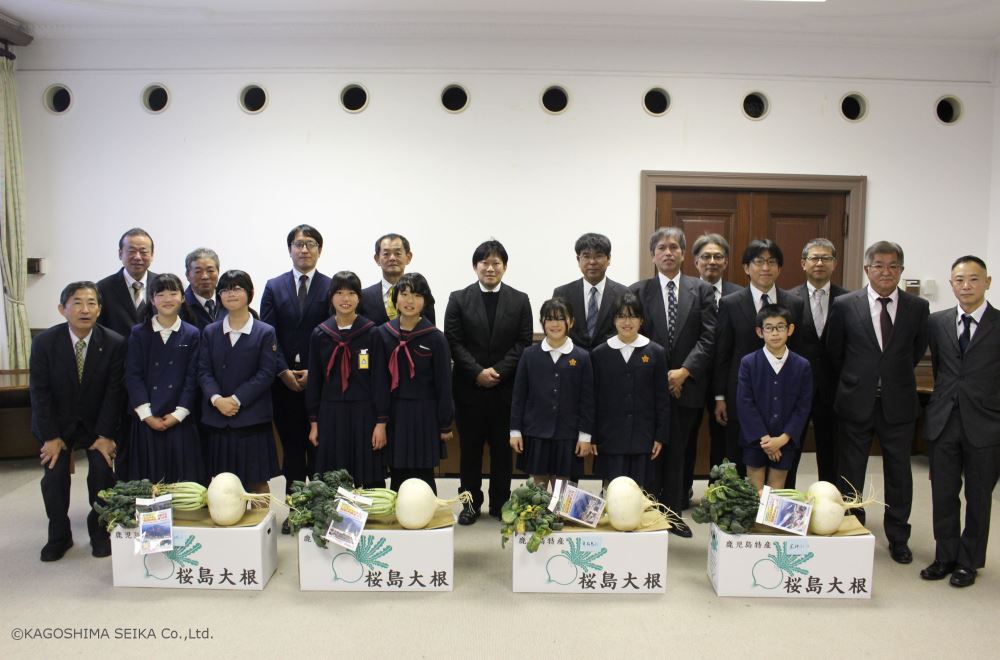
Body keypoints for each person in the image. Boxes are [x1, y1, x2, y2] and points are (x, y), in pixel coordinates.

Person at [826, 241, 929, 565]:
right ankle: (852, 527)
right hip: (856, 400)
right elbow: (834, 351)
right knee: (851, 470)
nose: (887, 272)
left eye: (894, 266)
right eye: (879, 265)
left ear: (901, 270)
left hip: (898, 403)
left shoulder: (917, 307)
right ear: (867, 269)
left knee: (899, 472)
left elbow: (915, 351)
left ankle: (898, 536)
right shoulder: (845, 304)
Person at [30, 281, 126, 561]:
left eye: (91, 303)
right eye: (77, 303)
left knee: (102, 471)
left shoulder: (113, 343)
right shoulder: (45, 343)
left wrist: (106, 435)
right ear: (63, 309)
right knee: (54, 475)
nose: (85, 309)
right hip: (57, 426)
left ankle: (100, 532)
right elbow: (40, 392)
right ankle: (59, 535)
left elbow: (114, 393)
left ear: (99, 309)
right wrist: (50, 436)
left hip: (97, 425)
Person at [629, 227, 715, 536]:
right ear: (652, 255)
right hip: (649, 387)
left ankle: (674, 514)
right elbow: (632, 338)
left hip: (687, 385)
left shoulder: (702, 290)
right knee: (650, 452)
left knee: (679, 451)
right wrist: (661, 375)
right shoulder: (638, 291)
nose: (668, 252)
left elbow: (709, 336)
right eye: (662, 247)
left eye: (674, 247)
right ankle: (648, 512)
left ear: (683, 254)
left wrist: (683, 372)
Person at [921, 256, 1000, 587]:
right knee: (943, 492)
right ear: (951, 284)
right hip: (944, 419)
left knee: (980, 496)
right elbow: (941, 367)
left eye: (973, 279)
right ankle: (945, 555)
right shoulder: (938, 322)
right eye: (959, 280)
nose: (966, 286)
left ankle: (969, 562)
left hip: (986, 423)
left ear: (988, 282)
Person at [445, 239, 532, 525]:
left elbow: (522, 342)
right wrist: (477, 372)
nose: (490, 268)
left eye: (496, 263)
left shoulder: (520, 300)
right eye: (485, 263)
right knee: (469, 451)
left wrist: (498, 371)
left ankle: (500, 503)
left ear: (504, 267)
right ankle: (469, 504)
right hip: (469, 390)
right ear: (475, 266)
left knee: (501, 452)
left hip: (505, 390)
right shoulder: (458, 298)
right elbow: (454, 342)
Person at [260, 225, 332, 530]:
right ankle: (294, 510)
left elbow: (334, 335)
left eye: (311, 244)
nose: (304, 250)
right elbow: (267, 334)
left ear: (319, 250)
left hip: (320, 384)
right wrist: (283, 370)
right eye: (298, 244)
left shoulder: (331, 287)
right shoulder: (273, 287)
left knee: (318, 450)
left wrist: (314, 371)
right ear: (289, 249)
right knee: (291, 452)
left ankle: (316, 510)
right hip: (284, 384)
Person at [714, 239, 804, 477]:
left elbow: (798, 352)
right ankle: (746, 512)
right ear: (746, 268)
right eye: (759, 261)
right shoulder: (730, 303)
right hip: (741, 396)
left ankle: (778, 511)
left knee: (783, 459)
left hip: (783, 396)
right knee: (740, 455)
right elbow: (722, 353)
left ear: (779, 268)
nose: (766, 267)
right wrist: (720, 396)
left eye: (772, 262)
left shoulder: (794, 303)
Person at [199, 270, 280, 495]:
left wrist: (235, 400)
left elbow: (266, 373)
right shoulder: (210, 331)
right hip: (217, 419)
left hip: (251, 419)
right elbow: (203, 371)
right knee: (219, 483)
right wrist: (217, 400)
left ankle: (262, 527)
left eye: (237, 288)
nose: (230, 294)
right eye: (224, 289)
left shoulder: (265, 332)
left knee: (256, 481)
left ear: (250, 293)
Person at [305, 271, 388, 489]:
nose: (345, 299)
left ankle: (372, 519)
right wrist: (314, 423)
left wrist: (381, 422)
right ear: (331, 297)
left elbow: (380, 381)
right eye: (339, 293)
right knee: (333, 472)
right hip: (330, 413)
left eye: (351, 293)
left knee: (368, 473)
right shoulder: (320, 334)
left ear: (359, 298)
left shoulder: (372, 333)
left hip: (365, 413)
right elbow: (314, 383)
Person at [376, 273, 454, 493]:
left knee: (423, 471)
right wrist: (380, 419)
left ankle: (426, 514)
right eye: (405, 294)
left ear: (426, 301)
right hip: (395, 412)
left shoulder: (435, 338)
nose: (410, 301)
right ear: (395, 298)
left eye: (417, 295)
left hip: (425, 413)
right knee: (398, 468)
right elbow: (379, 382)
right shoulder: (383, 334)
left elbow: (444, 384)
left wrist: (445, 423)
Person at [125, 273, 204, 484]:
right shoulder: (139, 333)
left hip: (180, 417)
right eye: (160, 294)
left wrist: (180, 413)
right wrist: (146, 413)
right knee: (150, 479)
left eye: (173, 293)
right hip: (147, 417)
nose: (167, 299)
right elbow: (133, 375)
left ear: (183, 297)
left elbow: (193, 376)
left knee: (183, 480)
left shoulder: (192, 334)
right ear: (151, 300)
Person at [509, 298, 595, 487]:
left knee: (562, 490)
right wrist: (515, 431)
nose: (554, 324)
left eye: (560, 318)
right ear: (542, 322)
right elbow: (519, 396)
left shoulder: (582, 357)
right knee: (537, 489)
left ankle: (559, 516)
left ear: (570, 322)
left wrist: (585, 436)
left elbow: (587, 400)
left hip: (568, 434)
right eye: (549, 319)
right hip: (536, 432)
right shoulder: (529, 354)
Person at [96, 227, 158, 481]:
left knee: (151, 441)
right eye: (130, 251)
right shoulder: (103, 288)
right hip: (117, 378)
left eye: (143, 251)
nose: (137, 256)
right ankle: (125, 492)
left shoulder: (162, 284)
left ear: (152, 255)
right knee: (122, 441)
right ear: (120, 254)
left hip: (155, 378)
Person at [590, 293, 668, 495]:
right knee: (611, 491)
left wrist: (660, 436)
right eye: (621, 316)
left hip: (643, 435)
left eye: (633, 316)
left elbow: (662, 398)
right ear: (614, 320)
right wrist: (594, 436)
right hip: (610, 436)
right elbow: (593, 398)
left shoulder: (655, 352)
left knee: (639, 492)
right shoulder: (600, 353)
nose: (627, 322)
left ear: (641, 320)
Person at [736, 304, 813, 493]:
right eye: (769, 328)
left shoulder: (802, 365)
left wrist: (782, 439)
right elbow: (745, 404)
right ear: (760, 332)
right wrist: (765, 439)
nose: (775, 333)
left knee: (775, 495)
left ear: (790, 330)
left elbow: (803, 406)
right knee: (756, 493)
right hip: (755, 440)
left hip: (785, 441)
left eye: (780, 327)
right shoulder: (748, 363)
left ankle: (770, 524)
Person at [688, 233, 741, 497]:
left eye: (717, 256)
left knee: (723, 437)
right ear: (696, 261)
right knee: (687, 437)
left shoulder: (739, 295)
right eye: (705, 256)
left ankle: (718, 491)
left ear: (726, 262)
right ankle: (682, 488)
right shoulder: (686, 292)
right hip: (692, 376)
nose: (711, 261)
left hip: (728, 377)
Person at [793, 238, 848, 485]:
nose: (819, 263)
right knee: (790, 451)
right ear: (803, 263)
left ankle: (834, 504)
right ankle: (783, 507)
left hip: (835, 388)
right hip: (796, 388)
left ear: (834, 264)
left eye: (826, 258)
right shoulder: (788, 299)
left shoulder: (849, 301)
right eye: (814, 258)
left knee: (833, 452)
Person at [551, 232, 628, 350]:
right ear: (578, 259)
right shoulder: (562, 294)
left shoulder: (623, 293)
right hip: (573, 361)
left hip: (610, 360)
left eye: (598, 256)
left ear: (609, 259)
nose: (592, 262)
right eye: (586, 256)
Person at [360, 233, 436, 325]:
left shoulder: (421, 294)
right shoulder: (363, 297)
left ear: (408, 257)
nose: (392, 258)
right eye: (386, 254)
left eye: (398, 253)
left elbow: (430, 330)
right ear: (377, 259)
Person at [181, 247, 223, 330]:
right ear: (187, 275)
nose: (205, 276)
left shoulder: (228, 301)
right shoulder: (180, 305)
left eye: (210, 271)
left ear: (218, 272)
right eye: (198, 272)